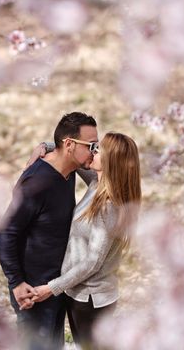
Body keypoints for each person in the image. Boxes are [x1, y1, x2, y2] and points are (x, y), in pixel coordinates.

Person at [23, 132, 142, 350]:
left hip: (90, 300)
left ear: (110, 161)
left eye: (98, 150)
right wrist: (47, 146)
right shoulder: (98, 184)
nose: (93, 152)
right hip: (81, 294)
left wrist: (51, 288)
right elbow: (75, 159)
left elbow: (93, 262)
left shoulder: (109, 206)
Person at [0, 112, 99, 350]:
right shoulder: (36, 183)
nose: (95, 152)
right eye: (91, 146)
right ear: (70, 145)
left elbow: (59, 144)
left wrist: (44, 145)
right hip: (32, 291)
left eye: (97, 146)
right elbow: (5, 233)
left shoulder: (69, 169)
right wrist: (17, 282)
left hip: (55, 286)